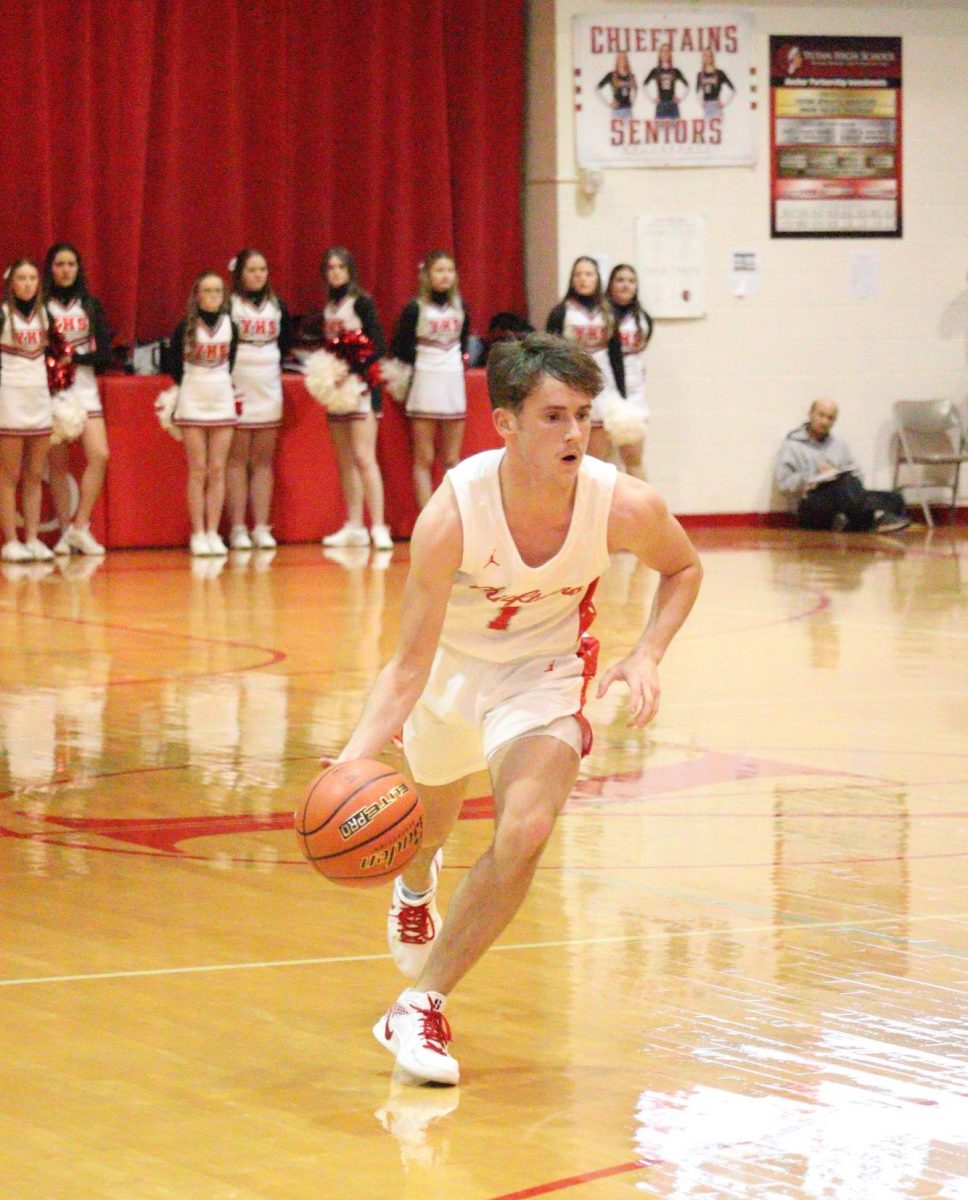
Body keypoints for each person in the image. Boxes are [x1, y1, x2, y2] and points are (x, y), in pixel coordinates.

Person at [327, 333, 702, 1085]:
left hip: (546, 674)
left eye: (584, 416)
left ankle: (421, 1002)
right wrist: (352, 761)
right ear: (504, 423)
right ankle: (414, 881)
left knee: (526, 827)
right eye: (553, 416)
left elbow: (684, 568)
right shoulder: (453, 516)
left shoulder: (623, 504)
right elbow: (406, 664)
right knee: (427, 824)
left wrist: (647, 652)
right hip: (451, 674)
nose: (575, 434)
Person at [309, 248, 392, 550]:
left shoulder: (362, 302)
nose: (335, 272)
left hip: (360, 387)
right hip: (337, 390)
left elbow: (378, 344)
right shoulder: (329, 307)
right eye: (330, 267)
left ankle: (379, 526)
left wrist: (354, 372)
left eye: (341, 267)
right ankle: (354, 525)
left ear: (350, 271)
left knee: (364, 457)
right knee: (345, 461)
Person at [42, 243, 113, 557]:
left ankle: (80, 526)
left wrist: (75, 358)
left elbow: (105, 354)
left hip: (84, 389)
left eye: (71, 264)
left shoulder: (90, 304)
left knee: (99, 454)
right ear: (51, 269)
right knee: (57, 464)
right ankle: (63, 531)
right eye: (59, 264)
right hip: (52, 391)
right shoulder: (42, 305)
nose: (65, 270)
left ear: (78, 268)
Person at [391, 251, 470, 511]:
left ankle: (453, 517)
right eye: (439, 270)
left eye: (449, 270)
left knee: (451, 457)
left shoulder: (461, 307)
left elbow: (465, 343)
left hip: (453, 383)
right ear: (427, 275)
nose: (445, 275)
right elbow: (401, 346)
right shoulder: (415, 308)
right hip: (425, 381)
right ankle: (427, 518)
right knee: (424, 457)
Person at [226, 249, 293, 550]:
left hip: (268, 387)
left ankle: (262, 527)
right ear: (240, 273)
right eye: (251, 270)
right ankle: (239, 528)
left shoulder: (278, 306)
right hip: (238, 386)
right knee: (237, 460)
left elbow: (287, 341)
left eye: (262, 269)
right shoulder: (230, 305)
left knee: (263, 461)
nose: (257, 275)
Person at [169, 271, 239, 556]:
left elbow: (231, 361)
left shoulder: (230, 325)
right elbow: (171, 363)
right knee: (198, 470)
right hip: (193, 397)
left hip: (221, 396)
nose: (212, 296)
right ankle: (198, 533)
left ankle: (213, 532)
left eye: (217, 291)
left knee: (218, 469)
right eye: (207, 291)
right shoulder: (184, 327)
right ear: (197, 295)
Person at [776, 399, 911, 533]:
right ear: (810, 414)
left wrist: (836, 473)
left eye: (830, 418)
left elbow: (856, 477)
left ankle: (852, 521)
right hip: (811, 502)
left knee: (894, 498)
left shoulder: (839, 445)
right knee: (846, 487)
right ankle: (873, 518)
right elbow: (783, 484)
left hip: (842, 499)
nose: (824, 422)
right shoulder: (793, 445)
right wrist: (813, 476)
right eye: (821, 415)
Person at [0, 260, 56, 563]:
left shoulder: (46, 315)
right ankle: (10, 540)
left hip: (38, 396)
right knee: (9, 475)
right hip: (10, 395)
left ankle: (32, 538)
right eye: (21, 278)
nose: (27, 284)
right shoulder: (3, 315)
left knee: (35, 474)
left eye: (32, 278)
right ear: (11, 284)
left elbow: (59, 357)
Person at [546, 256, 625, 459]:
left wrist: (622, 394)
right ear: (572, 279)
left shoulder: (608, 312)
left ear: (597, 278)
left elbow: (616, 355)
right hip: (570, 384)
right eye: (578, 274)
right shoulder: (561, 312)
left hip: (602, 386)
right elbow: (549, 354)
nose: (583, 279)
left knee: (601, 458)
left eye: (588, 274)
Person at [605, 264, 654, 480]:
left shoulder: (641, 319)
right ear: (610, 285)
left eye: (631, 280)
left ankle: (645, 512)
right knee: (599, 462)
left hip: (633, 393)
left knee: (633, 458)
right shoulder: (601, 316)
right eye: (620, 280)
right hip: (604, 391)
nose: (626, 285)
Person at [643, 44, 688, 121]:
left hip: (672, 104)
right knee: (661, 131)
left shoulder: (675, 71)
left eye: (667, 51)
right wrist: (652, 99)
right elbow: (644, 85)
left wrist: (681, 98)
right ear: (660, 54)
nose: (665, 53)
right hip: (661, 105)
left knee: (675, 130)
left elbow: (687, 86)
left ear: (670, 54)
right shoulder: (656, 71)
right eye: (663, 51)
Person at [695, 49, 735, 121]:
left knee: (719, 130)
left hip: (716, 106)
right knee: (707, 130)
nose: (707, 57)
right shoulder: (700, 74)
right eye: (705, 55)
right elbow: (697, 92)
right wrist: (701, 102)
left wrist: (724, 103)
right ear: (703, 58)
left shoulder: (719, 73)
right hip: (706, 108)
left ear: (712, 57)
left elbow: (732, 89)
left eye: (709, 55)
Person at [596, 51, 637, 119]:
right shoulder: (611, 75)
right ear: (617, 60)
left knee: (628, 129)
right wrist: (608, 104)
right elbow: (597, 89)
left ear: (626, 59)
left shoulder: (631, 76)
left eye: (624, 57)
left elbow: (635, 89)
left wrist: (633, 100)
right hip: (617, 111)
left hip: (628, 110)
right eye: (620, 58)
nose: (622, 60)